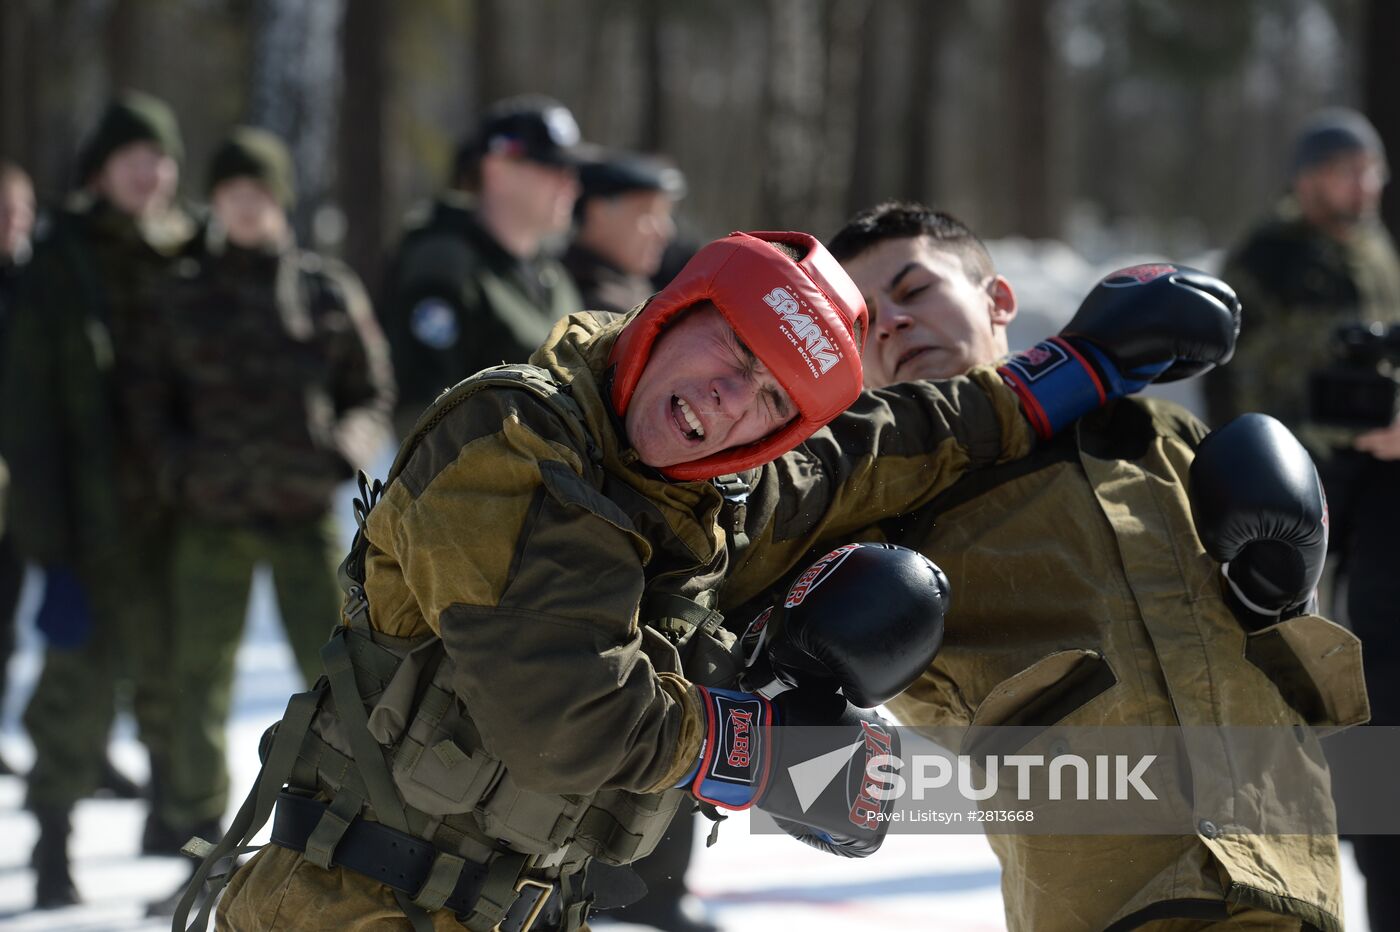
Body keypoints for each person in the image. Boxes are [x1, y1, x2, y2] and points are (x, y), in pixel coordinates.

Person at [176, 225, 1235, 932]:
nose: (724, 401)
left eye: (767, 401)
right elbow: (565, 710)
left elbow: (863, 451)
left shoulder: (702, 482)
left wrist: (1068, 372)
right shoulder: (515, 441)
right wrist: (759, 749)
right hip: (347, 904)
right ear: (671, 310)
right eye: (726, 350)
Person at [729, 201, 1358, 931]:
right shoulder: (875, 500)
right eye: (865, 321)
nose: (894, 321)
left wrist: (1278, 598)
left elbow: (1292, 684)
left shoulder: (1159, 436)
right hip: (1110, 893)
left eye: (914, 290)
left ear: (998, 300)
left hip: (1287, 875)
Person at [126, 127, 394, 901]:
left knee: (339, 680)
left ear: (280, 200)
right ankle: (200, 848)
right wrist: (180, 470)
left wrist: (346, 445)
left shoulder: (324, 289)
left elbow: (370, 390)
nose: (247, 207)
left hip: (303, 512)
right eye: (232, 193)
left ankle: (327, 845)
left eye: (260, 192)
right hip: (209, 519)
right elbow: (146, 404)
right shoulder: (180, 294)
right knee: (195, 681)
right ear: (214, 202)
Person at [1203, 107, 1400, 932]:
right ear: (1306, 178)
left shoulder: (1373, 248)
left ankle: (1370, 812)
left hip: (1376, 471)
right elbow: (1243, 380)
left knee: (1379, 660)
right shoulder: (1267, 260)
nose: (1359, 186)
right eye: (1343, 171)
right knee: (1299, 662)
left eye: (1370, 170)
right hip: (1292, 483)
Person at [0, 91, 196, 908]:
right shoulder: (59, 263)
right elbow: (30, 415)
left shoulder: (193, 252)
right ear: (100, 169)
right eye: (131, 158)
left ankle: (190, 841)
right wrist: (50, 546)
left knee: (182, 691)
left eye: (160, 158)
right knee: (72, 698)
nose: (148, 174)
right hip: (90, 526)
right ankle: (52, 845)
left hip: (178, 522)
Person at [558, 148, 709, 932]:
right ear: (594, 212)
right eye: (644, 210)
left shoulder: (636, 293)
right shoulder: (574, 300)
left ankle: (649, 887)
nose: (663, 228)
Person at [380, 94, 587, 436]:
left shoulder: (550, 274)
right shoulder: (443, 267)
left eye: (572, 171)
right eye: (552, 168)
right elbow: (421, 416)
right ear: (497, 170)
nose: (571, 185)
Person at [0, 161, 37, 778]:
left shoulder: (32, 284)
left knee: (6, 622)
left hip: (18, 490)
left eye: (20, 211)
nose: (13, 224)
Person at [562, 151, 685, 314]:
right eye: (649, 213)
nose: (666, 232)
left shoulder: (633, 288)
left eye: (665, 215)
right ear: (598, 213)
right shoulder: (582, 299)